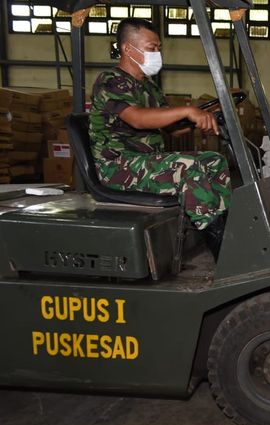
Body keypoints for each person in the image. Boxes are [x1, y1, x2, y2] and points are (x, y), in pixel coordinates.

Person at [89, 18, 230, 259]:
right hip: (117, 166)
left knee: (214, 160)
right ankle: (224, 252)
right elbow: (138, 119)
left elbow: (172, 128)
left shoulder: (148, 86)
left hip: (145, 162)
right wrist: (187, 111)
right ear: (127, 49)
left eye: (158, 48)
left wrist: (203, 117)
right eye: (151, 48)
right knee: (187, 168)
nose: (157, 53)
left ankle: (227, 230)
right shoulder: (111, 81)